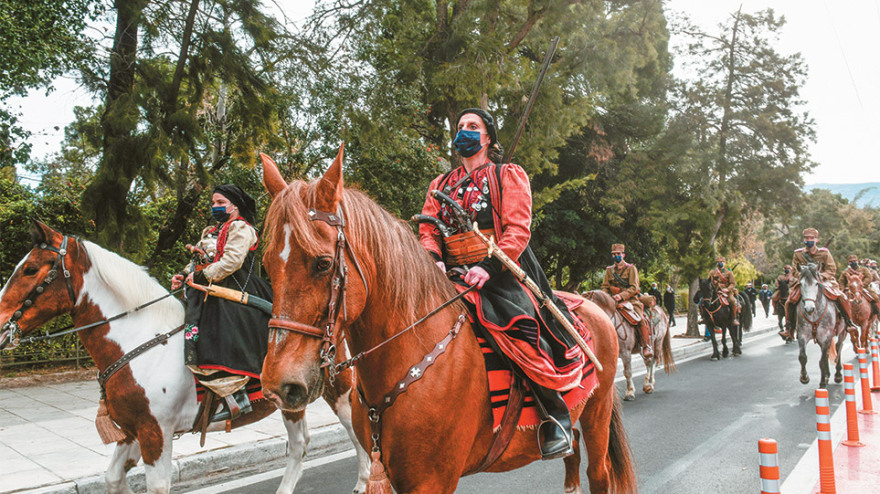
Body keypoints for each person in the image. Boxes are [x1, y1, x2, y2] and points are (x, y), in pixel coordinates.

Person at [419, 108, 582, 460]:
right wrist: (433, 257)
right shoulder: (439, 184)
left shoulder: (507, 175)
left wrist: (488, 267)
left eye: (472, 126)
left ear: (488, 137)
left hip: (501, 269)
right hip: (448, 272)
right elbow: (428, 229)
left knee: (520, 328)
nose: (464, 131)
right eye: (460, 126)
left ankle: (555, 416)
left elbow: (517, 229)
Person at [170, 185, 272, 423]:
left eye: (220, 203)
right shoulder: (210, 231)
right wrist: (184, 276)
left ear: (235, 206)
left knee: (220, 337)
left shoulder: (242, 228)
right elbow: (198, 261)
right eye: (213, 202)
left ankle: (238, 396)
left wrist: (200, 276)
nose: (214, 207)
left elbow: (232, 262)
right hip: (205, 291)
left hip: (235, 291)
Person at [779, 228, 858, 340]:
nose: (809, 240)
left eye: (812, 238)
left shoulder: (824, 253)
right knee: (789, 301)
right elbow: (795, 271)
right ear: (803, 239)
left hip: (823, 280)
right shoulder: (798, 254)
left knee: (841, 297)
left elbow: (831, 269)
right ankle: (789, 328)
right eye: (807, 238)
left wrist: (821, 276)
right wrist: (804, 276)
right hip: (805, 281)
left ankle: (849, 322)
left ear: (816, 240)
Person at [601, 243, 653, 358]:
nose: (616, 256)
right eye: (614, 254)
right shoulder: (609, 270)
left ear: (623, 255)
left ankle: (646, 345)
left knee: (639, 318)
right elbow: (605, 286)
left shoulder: (631, 268)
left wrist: (621, 296)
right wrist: (605, 297)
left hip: (630, 300)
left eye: (618, 254)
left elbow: (634, 287)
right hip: (613, 300)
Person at [708, 256, 741, 325]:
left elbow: (733, 283)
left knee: (732, 300)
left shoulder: (729, 272)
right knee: (704, 300)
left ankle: (734, 318)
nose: (720, 263)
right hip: (715, 290)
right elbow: (708, 282)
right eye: (718, 262)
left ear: (724, 263)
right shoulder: (712, 272)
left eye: (721, 262)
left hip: (726, 291)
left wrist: (727, 289)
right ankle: (704, 317)